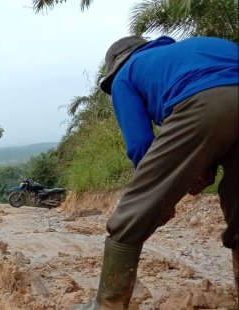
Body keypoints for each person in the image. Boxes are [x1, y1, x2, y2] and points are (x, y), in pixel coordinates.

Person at [74, 35, 238, 309]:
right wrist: (201, 169)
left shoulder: (126, 75)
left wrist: (156, 195)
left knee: (131, 214)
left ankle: (108, 304)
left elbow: (140, 143)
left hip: (202, 103)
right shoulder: (200, 46)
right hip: (215, 98)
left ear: (115, 67)